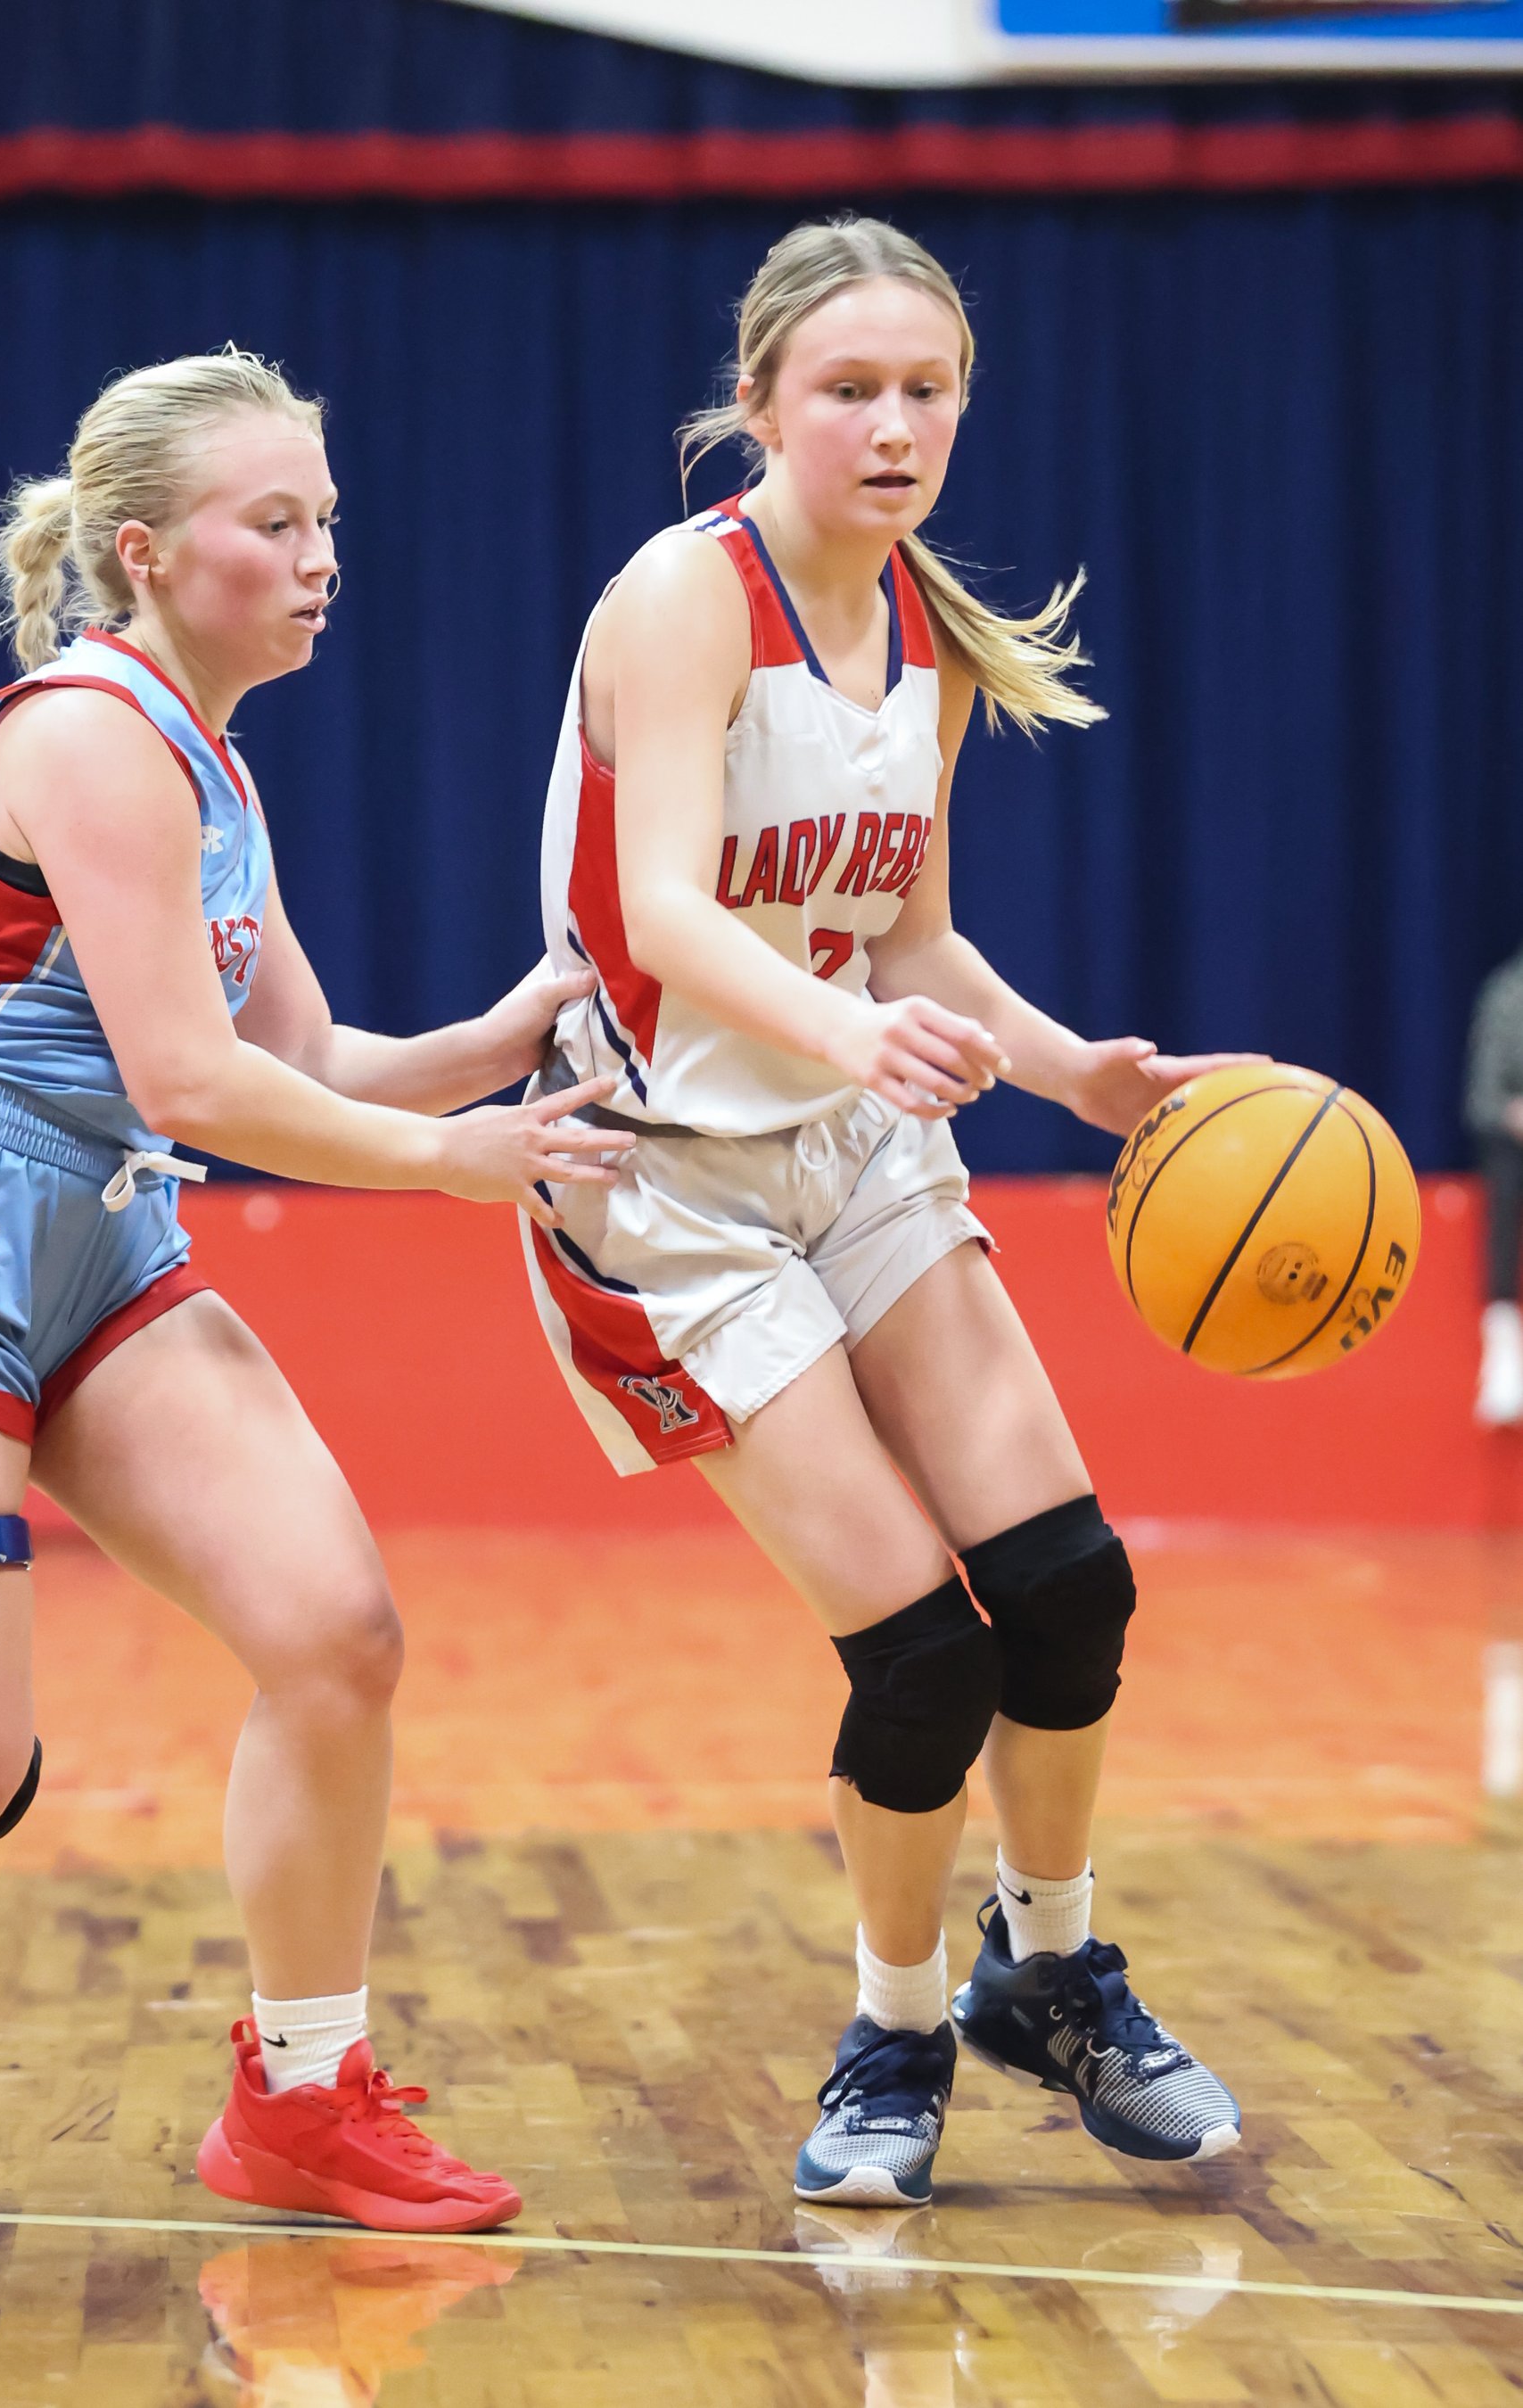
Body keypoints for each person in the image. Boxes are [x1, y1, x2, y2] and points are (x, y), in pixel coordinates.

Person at [0, 350, 627, 2235]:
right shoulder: (85, 736)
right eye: (276, 522)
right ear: (145, 551)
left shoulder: (210, 758)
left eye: (328, 521)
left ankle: (302, 2097)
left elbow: (302, 1053)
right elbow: (195, 1086)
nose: (322, 558)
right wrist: (451, 1167)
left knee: (335, 1636)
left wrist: (512, 1036)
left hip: (89, 1243)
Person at [522, 216, 1247, 2206]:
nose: (895, 423)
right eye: (851, 388)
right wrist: (855, 1030)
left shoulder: (921, 629)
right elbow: (667, 912)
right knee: (922, 1657)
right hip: (663, 1175)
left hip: (850, 1142)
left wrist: (1070, 1071)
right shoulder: (686, 595)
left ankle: (1055, 1971)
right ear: (761, 402)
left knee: (1071, 1589)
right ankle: (899, 2026)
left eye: (929, 388)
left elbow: (909, 932)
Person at [1465, 944, 1523, 1426]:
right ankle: (1503, 1347)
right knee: (1505, 1178)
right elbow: (1483, 1096)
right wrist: (1515, 1113)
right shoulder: (1507, 993)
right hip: (1515, 1139)